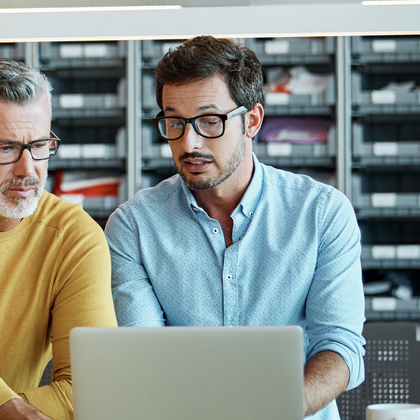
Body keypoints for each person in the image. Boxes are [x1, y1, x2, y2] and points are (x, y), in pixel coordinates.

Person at [105, 36, 365, 419]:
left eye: (210, 121)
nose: (189, 142)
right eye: (175, 122)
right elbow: (144, 357)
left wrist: (275, 409)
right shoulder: (134, 226)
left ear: (252, 121)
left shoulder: (321, 213)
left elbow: (340, 346)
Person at [0, 58, 118, 420]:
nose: (28, 170)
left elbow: (93, 388)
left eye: (39, 145)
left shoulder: (72, 237)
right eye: (5, 148)